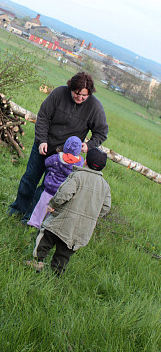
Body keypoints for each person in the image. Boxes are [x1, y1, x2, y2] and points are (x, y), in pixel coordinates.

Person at [8, 72, 108, 221]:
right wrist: (42, 140)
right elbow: (43, 117)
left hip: (65, 157)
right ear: (71, 88)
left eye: (84, 96)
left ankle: (31, 218)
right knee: (29, 178)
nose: (80, 98)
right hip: (44, 146)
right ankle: (18, 208)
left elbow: (102, 132)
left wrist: (88, 145)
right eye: (77, 93)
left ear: (90, 94)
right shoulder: (59, 94)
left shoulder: (94, 107)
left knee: (48, 187)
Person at [27, 148, 111, 275]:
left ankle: (37, 261)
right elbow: (106, 207)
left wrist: (53, 204)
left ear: (86, 161)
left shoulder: (78, 176)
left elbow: (64, 194)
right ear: (102, 168)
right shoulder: (105, 186)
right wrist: (91, 215)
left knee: (46, 238)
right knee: (65, 252)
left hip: (61, 220)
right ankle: (56, 273)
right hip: (81, 228)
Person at [27, 136, 84, 229]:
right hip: (62, 192)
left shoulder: (56, 158)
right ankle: (47, 228)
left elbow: (47, 162)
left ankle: (34, 223)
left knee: (42, 206)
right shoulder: (79, 163)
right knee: (54, 211)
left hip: (49, 189)